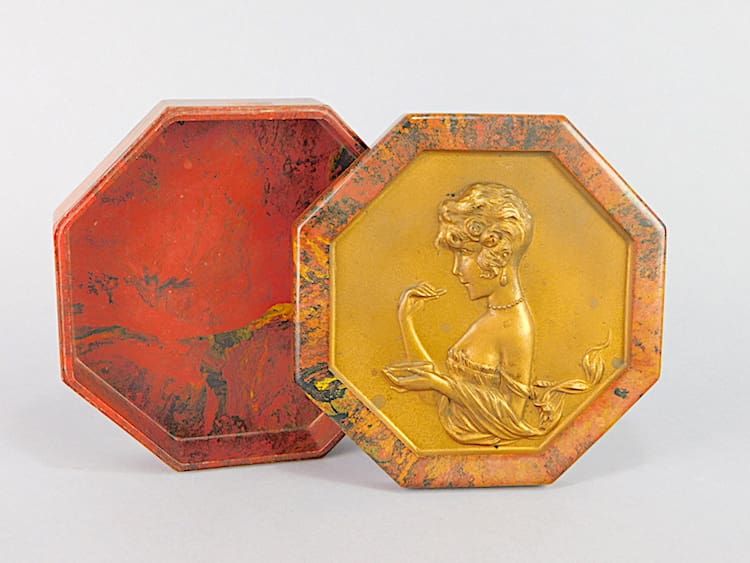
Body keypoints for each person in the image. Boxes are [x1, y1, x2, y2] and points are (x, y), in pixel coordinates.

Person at [383, 183, 608, 446]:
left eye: (465, 253)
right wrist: (406, 320)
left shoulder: (516, 328)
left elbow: (512, 417)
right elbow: (436, 395)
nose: (456, 269)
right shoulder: (492, 317)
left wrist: (440, 384)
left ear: (498, 255)